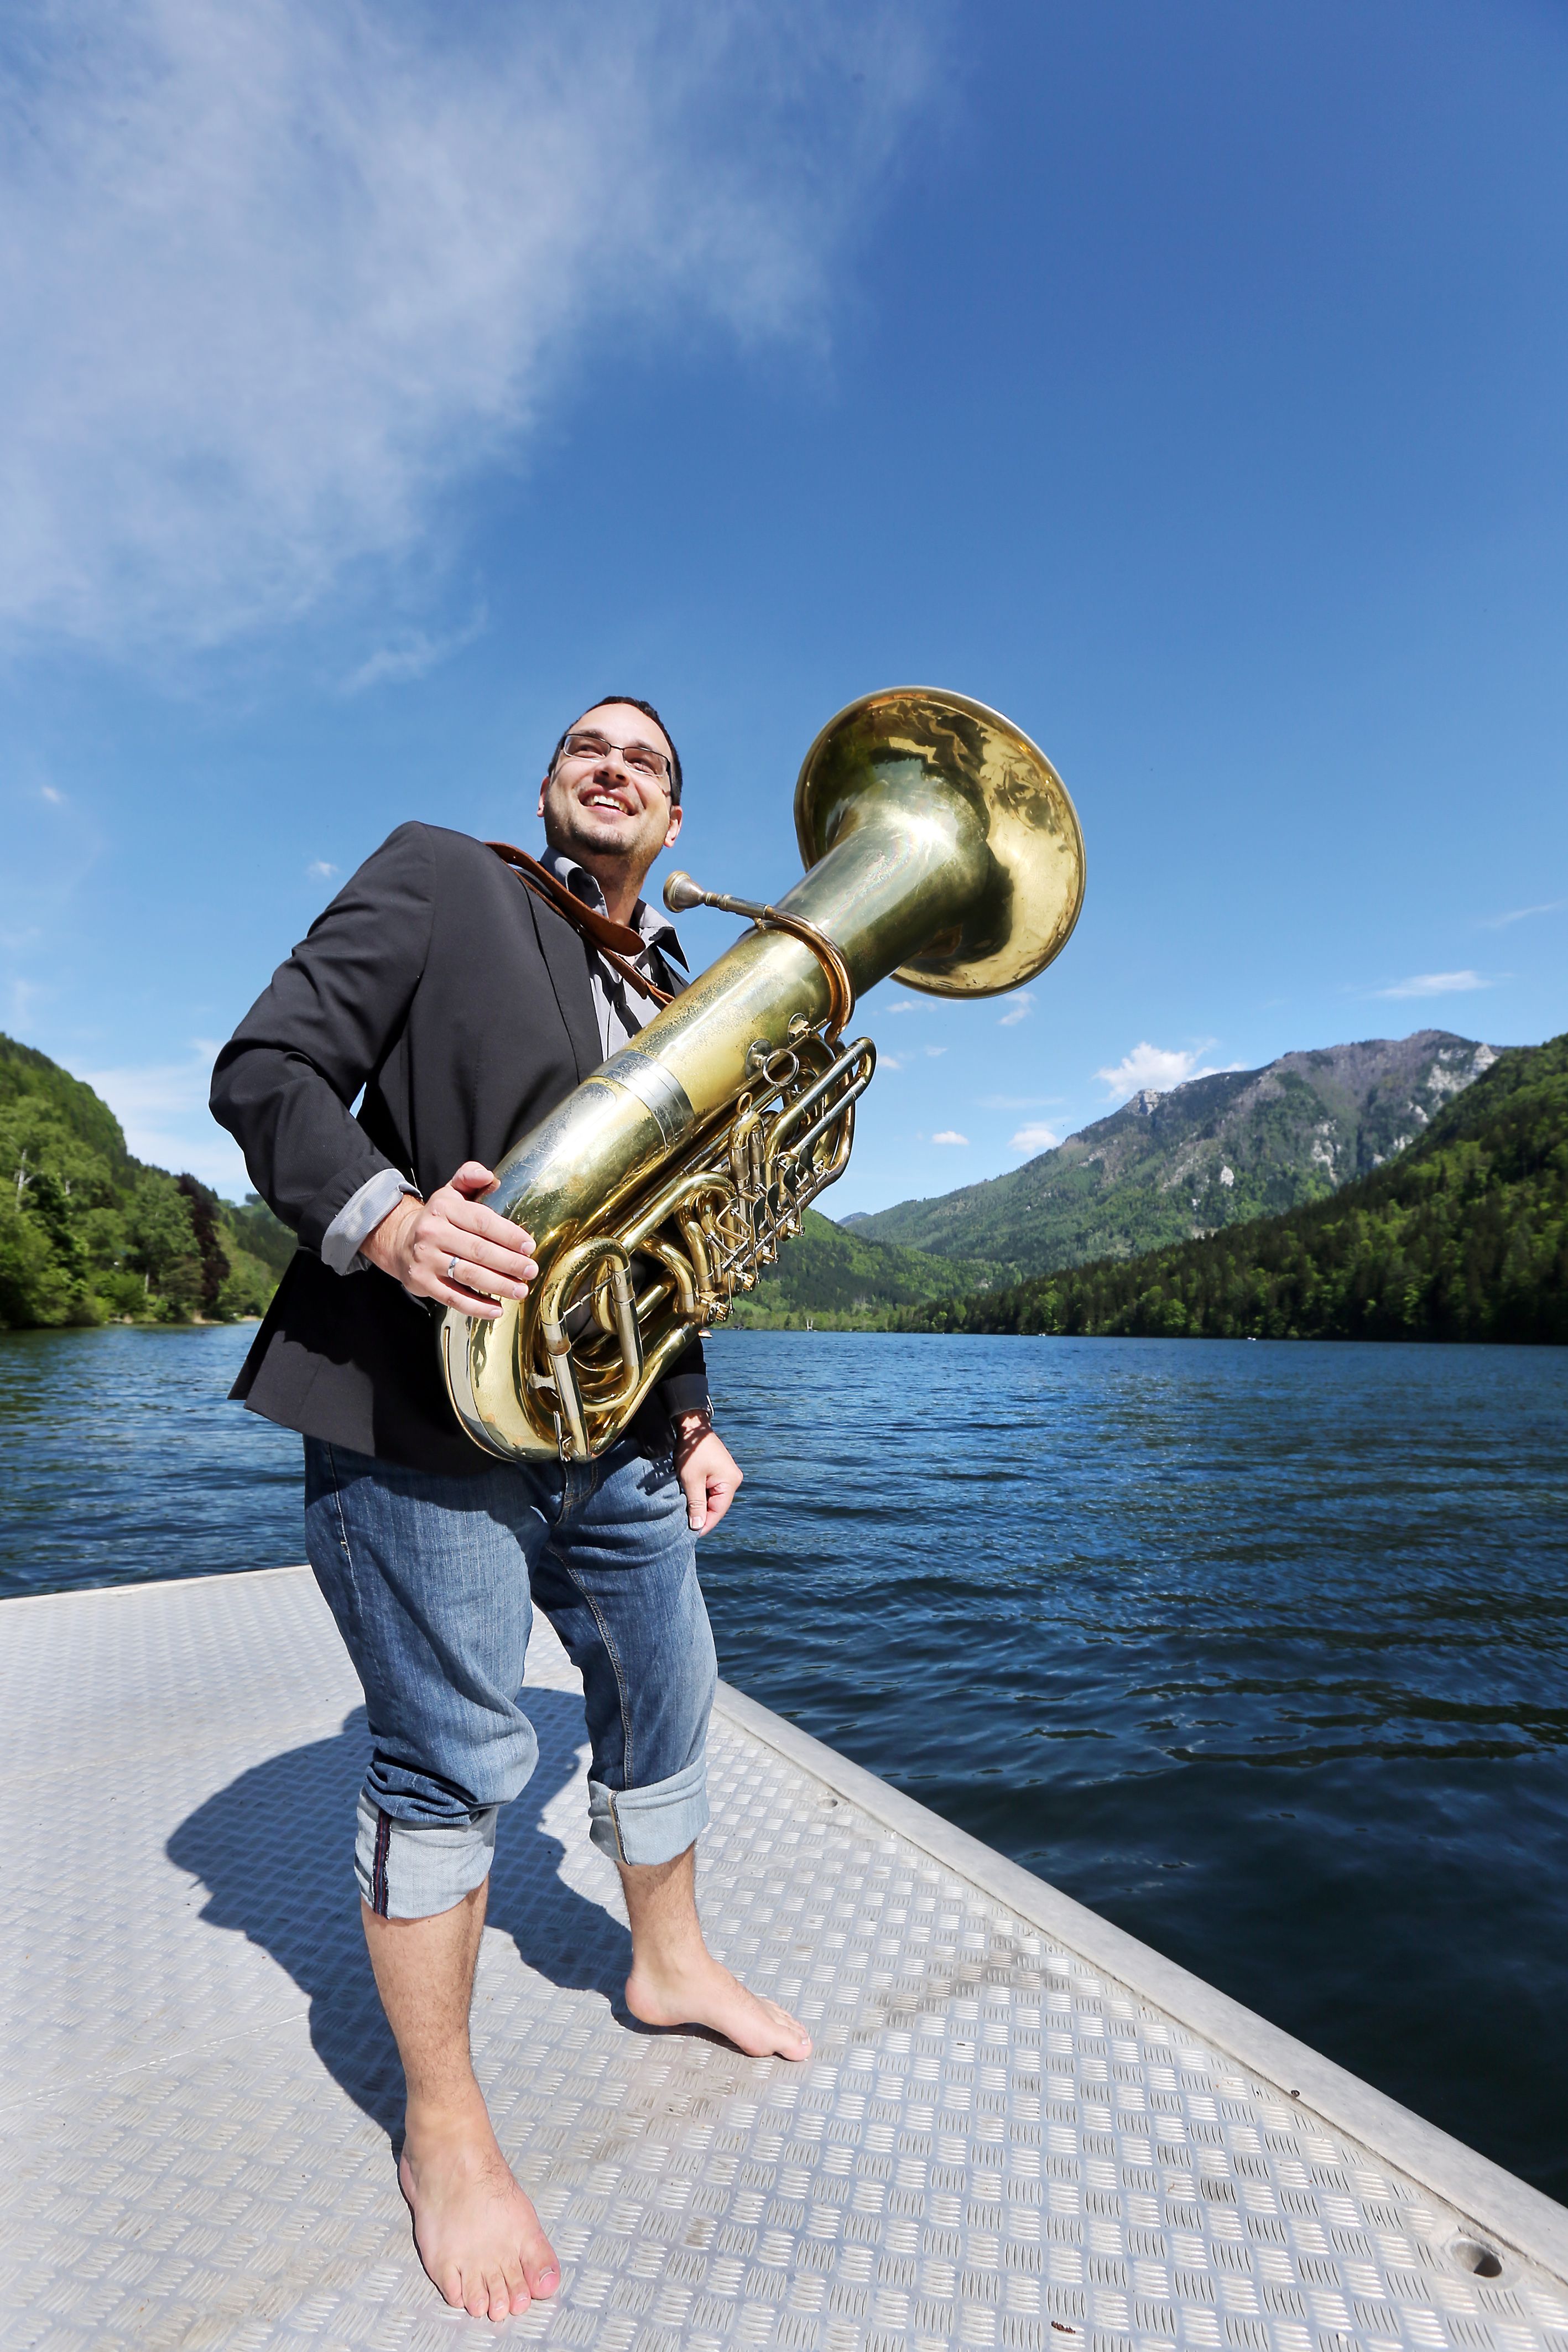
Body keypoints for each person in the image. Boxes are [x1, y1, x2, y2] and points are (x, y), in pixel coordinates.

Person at [211, 699, 811, 2327]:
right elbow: (264, 1069)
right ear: (551, 785)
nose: (611, 761)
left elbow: (673, 1237)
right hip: (416, 1413)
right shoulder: (438, 876)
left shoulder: (683, 987)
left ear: (675, 824)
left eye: (648, 760)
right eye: (584, 745)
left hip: (610, 1431)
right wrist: (390, 1223)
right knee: (457, 1763)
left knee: (669, 1690)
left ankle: (666, 1962)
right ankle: (446, 2125)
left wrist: (691, 1411)